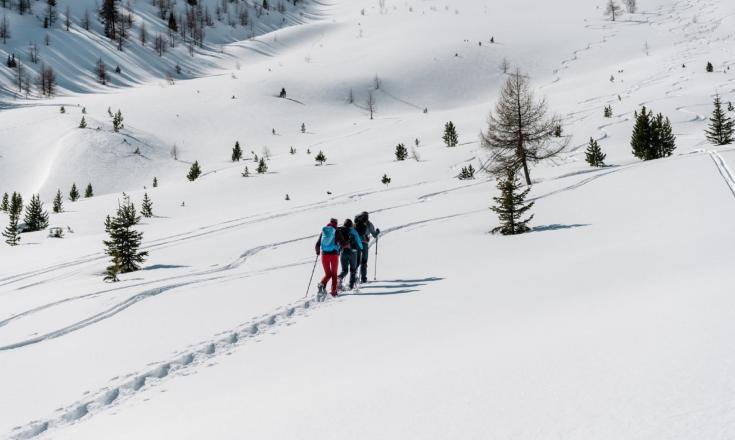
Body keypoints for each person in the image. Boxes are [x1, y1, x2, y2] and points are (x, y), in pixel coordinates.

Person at [315, 218, 341, 298]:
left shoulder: (324, 231)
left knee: (328, 274)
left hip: (324, 255)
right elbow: (342, 242)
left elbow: (317, 243)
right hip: (333, 255)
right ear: (336, 223)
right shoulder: (336, 231)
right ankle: (333, 292)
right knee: (334, 274)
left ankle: (322, 284)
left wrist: (318, 252)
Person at [354, 211, 380, 283]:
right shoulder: (369, 224)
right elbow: (374, 235)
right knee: (364, 261)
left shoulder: (356, 223)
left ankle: (353, 277)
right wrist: (377, 232)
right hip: (364, 243)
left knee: (357, 260)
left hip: (356, 243)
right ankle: (363, 278)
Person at [337, 219, 363, 290]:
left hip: (343, 252)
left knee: (344, 270)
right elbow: (359, 241)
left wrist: (339, 250)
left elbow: (338, 242)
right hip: (353, 252)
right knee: (353, 270)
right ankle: (351, 286)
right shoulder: (353, 231)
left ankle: (339, 278)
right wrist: (361, 248)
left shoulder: (340, 231)